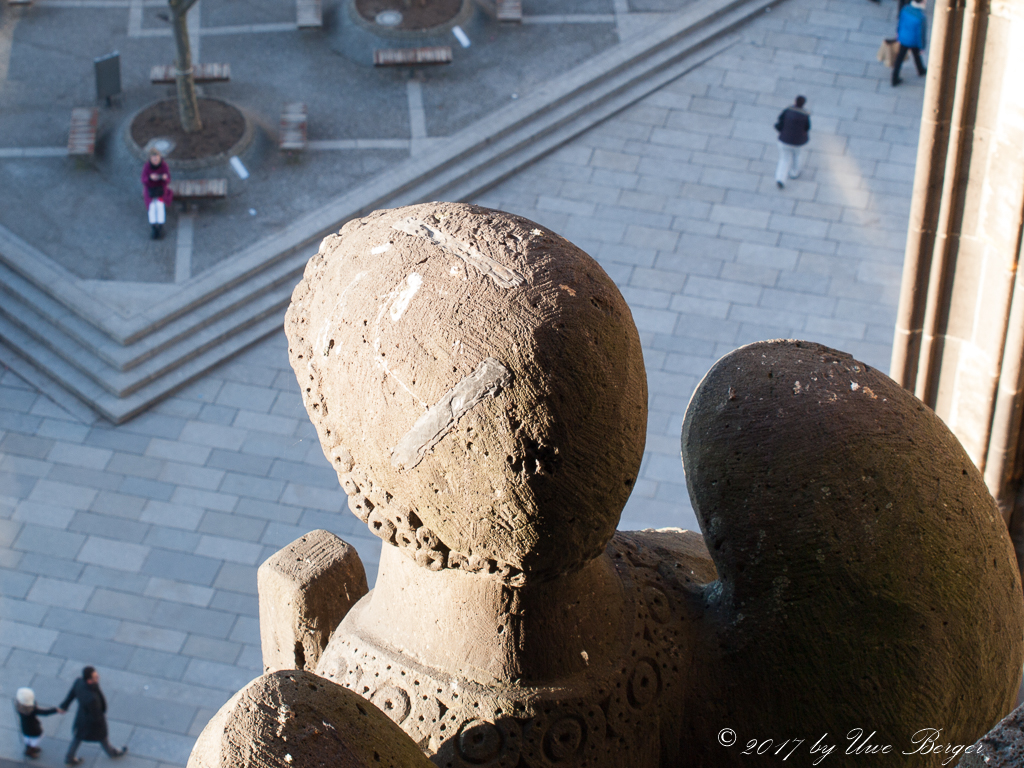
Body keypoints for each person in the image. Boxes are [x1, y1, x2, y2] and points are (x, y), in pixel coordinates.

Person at [59, 667, 126, 766]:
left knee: (78, 737)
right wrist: (102, 724)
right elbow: (96, 716)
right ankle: (112, 753)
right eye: (95, 676)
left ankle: (69, 758)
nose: (98, 676)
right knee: (102, 737)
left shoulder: (79, 682)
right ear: (89, 681)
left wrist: (64, 706)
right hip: (92, 721)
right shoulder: (91, 698)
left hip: (81, 717)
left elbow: (71, 694)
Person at [774, 95, 810, 189]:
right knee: (797, 156)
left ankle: (780, 179)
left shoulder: (787, 111)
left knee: (784, 159)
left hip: (784, 140)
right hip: (798, 142)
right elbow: (807, 128)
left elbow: (780, 121)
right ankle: (794, 173)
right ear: (803, 104)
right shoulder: (805, 115)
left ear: (795, 102)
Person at [14, 688, 59, 758]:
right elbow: (45, 713)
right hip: (34, 729)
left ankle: (28, 748)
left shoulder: (18, 706)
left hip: (24, 727)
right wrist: (56, 710)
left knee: (27, 738)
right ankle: (31, 750)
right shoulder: (32, 710)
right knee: (37, 738)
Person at [893, 0, 927, 86]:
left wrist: (898, 33)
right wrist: (922, 47)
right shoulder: (921, 17)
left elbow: (900, 22)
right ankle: (921, 70)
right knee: (916, 55)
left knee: (899, 58)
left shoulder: (905, 9)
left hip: (903, 38)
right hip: (913, 41)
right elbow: (921, 34)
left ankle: (894, 78)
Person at [141, 149, 172, 240]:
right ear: (150, 159)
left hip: (161, 190)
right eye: (154, 159)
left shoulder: (164, 165)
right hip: (150, 190)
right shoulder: (147, 166)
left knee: (160, 206)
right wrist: (150, 178)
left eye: (157, 159)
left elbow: (168, 179)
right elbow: (143, 179)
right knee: (151, 207)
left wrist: (164, 178)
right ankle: (154, 227)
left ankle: (160, 226)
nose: (156, 161)